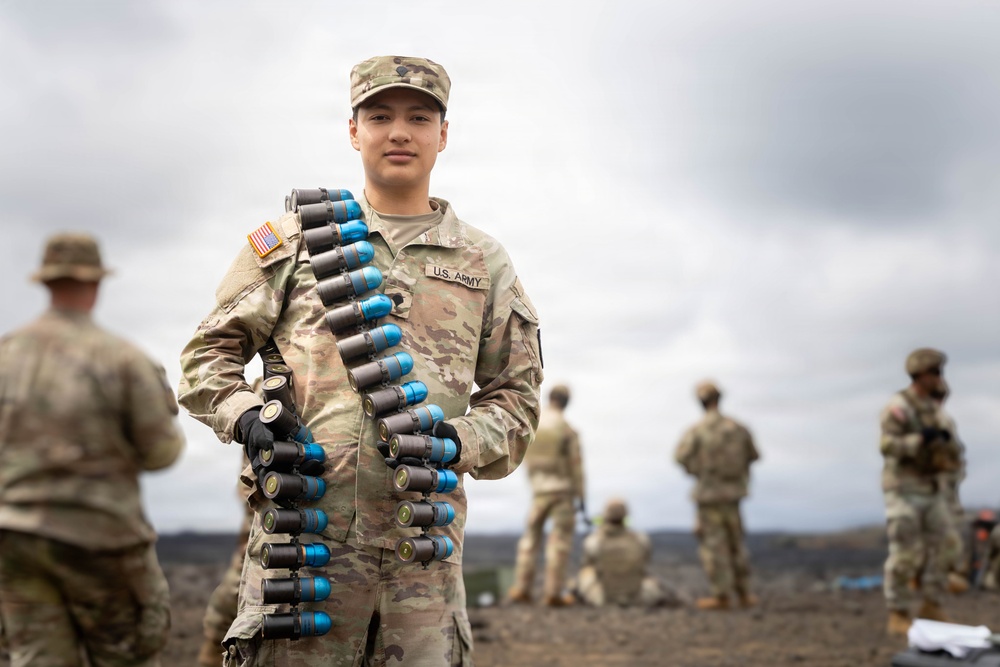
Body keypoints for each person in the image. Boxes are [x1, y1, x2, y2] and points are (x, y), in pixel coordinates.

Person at [178, 55, 543, 666]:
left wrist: (453, 441)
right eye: (379, 115)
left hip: (420, 562)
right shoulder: (294, 240)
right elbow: (204, 358)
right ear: (354, 131)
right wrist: (248, 418)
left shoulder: (484, 262)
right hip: (303, 543)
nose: (399, 132)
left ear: (443, 135)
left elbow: (518, 399)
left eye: (419, 117)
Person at [0, 232, 185, 666]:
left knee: (37, 658)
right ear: (96, 283)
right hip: (100, 542)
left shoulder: (5, 357)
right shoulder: (123, 360)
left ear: (45, 282)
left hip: (14, 541)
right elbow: (161, 454)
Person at [879, 348, 962, 636]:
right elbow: (887, 445)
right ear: (920, 374)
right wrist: (919, 440)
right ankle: (898, 611)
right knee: (905, 552)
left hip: (933, 488)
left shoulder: (935, 409)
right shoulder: (899, 406)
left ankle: (932, 605)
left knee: (945, 545)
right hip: (904, 489)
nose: (939, 378)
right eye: (935, 373)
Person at [674, 380, 759, 611]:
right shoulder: (738, 428)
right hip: (733, 494)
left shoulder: (697, 431)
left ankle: (722, 595)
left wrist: (697, 470)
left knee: (714, 546)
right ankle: (744, 593)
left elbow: (680, 457)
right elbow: (753, 455)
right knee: (736, 543)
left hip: (708, 495)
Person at [507, 384, 585, 607]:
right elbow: (576, 467)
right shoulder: (566, 429)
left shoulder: (536, 425)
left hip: (538, 491)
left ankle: (522, 589)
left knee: (530, 540)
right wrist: (580, 496)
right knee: (558, 542)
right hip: (562, 492)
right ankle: (553, 593)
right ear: (567, 401)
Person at [573, 498, 674, 608]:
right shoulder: (641, 540)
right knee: (652, 582)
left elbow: (587, 563)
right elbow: (646, 561)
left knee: (586, 573)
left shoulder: (594, 541)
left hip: (603, 598)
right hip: (639, 597)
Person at [933, 381, 969, 595]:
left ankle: (948, 576)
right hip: (933, 488)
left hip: (948, 486)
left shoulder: (945, 420)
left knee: (951, 530)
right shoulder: (929, 419)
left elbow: (954, 450)